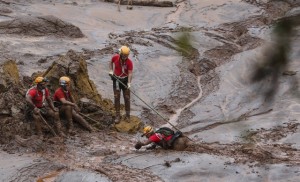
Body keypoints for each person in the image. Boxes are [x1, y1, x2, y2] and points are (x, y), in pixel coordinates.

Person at [109, 45, 133, 124]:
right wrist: (111, 70)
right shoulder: (115, 57)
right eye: (123, 55)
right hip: (116, 79)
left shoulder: (129, 62)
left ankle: (128, 115)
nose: (124, 57)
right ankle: (117, 115)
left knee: (127, 97)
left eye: (126, 56)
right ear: (120, 53)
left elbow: (130, 73)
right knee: (116, 97)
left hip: (125, 80)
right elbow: (111, 62)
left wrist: (129, 83)